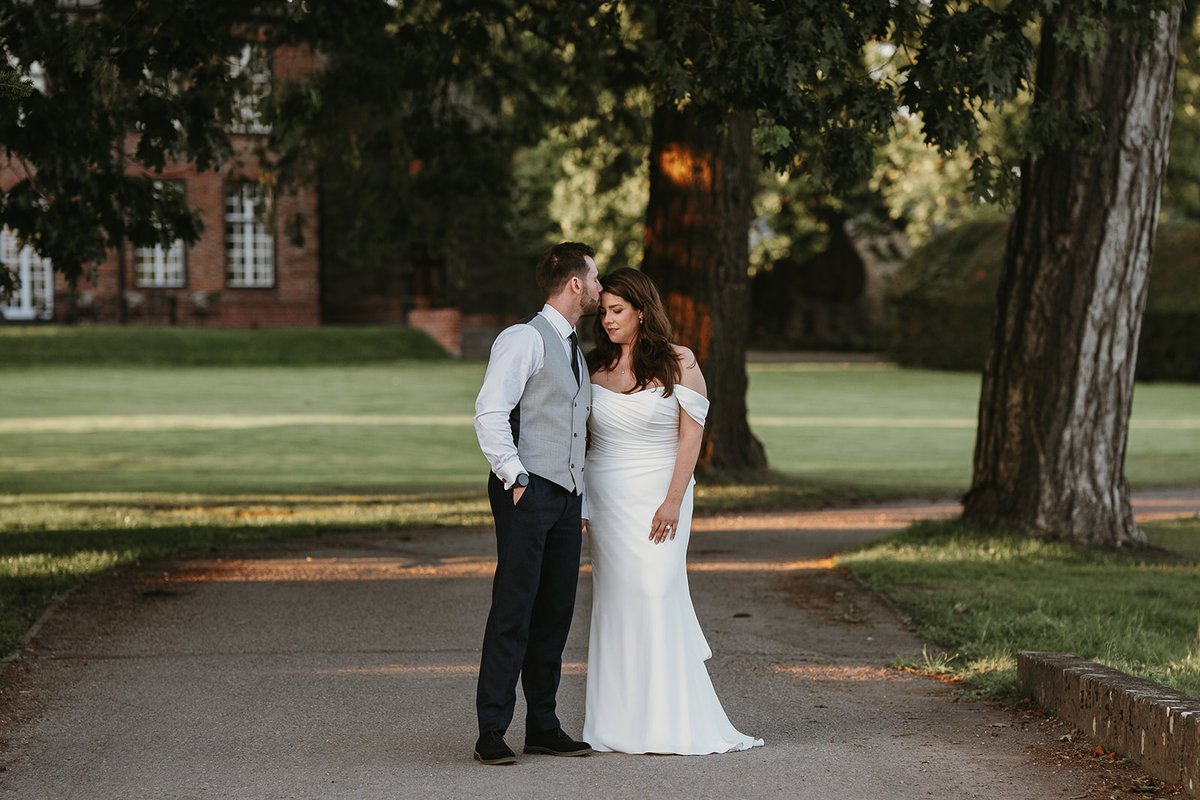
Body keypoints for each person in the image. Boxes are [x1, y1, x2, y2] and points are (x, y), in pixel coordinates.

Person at [581, 267, 763, 755]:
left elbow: (692, 435)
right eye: (603, 313)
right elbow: (582, 439)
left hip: (662, 491)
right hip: (606, 497)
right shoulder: (593, 367)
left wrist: (673, 500)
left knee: (657, 590)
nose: (609, 321)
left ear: (641, 310)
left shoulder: (679, 361)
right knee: (617, 603)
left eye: (617, 311)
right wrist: (581, 497)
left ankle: (671, 720)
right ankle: (619, 724)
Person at [472, 242, 602, 766]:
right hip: (527, 489)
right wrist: (515, 476)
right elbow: (489, 412)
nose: (599, 286)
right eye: (593, 277)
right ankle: (492, 730)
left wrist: (582, 497)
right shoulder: (524, 337)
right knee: (514, 609)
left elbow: (575, 428)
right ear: (574, 283)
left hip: (566, 497)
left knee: (555, 612)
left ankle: (543, 724)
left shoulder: (573, 345)